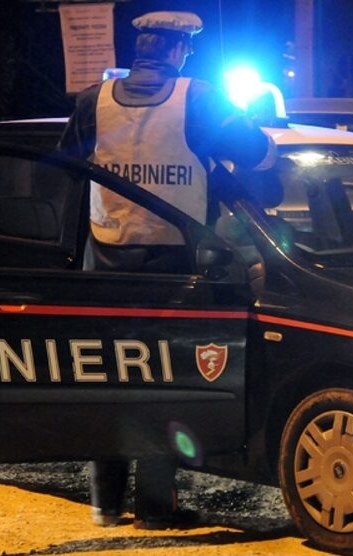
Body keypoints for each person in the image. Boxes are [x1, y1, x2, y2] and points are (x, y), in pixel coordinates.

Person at [58, 10, 274, 529]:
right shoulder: (196, 98)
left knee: (108, 381)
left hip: (103, 266)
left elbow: (63, 167)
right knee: (161, 380)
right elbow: (260, 156)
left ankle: (105, 505)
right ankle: (157, 508)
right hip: (174, 267)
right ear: (179, 51)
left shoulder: (93, 102)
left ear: (141, 50)